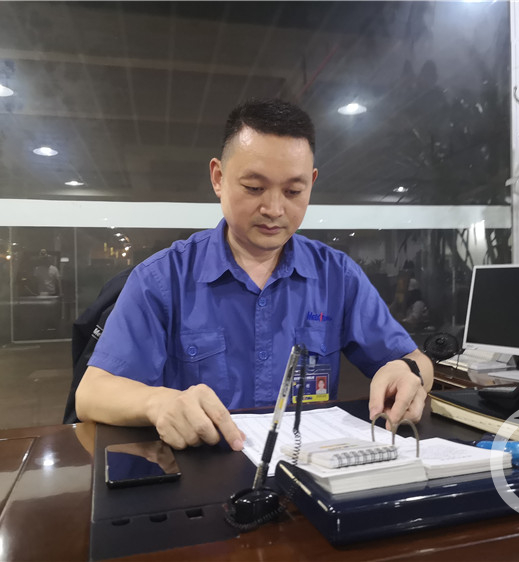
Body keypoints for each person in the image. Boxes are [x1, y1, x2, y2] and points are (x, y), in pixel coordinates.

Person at [76, 98, 433, 451]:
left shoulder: (336, 276)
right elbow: (92, 393)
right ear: (218, 178)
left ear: (311, 183)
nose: (274, 209)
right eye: (254, 188)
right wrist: (159, 403)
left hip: (308, 469)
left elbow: (416, 361)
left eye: (293, 191)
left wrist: (408, 374)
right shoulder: (162, 279)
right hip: (203, 469)